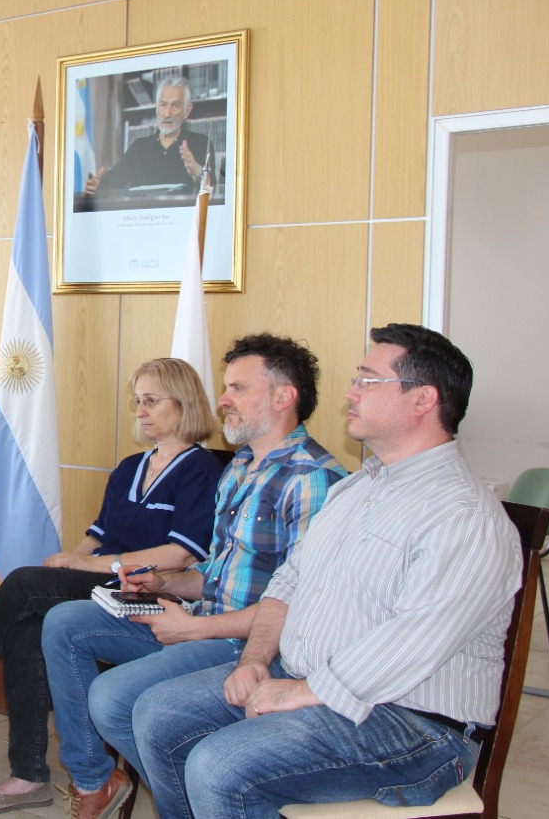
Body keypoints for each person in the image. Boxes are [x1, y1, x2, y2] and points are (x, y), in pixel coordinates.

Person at [129, 324, 522, 819]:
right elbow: (288, 582)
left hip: (413, 723)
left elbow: (414, 639)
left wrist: (302, 692)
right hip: (314, 678)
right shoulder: (355, 489)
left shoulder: (463, 515)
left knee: (220, 764)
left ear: (423, 399)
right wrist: (254, 659)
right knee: (158, 715)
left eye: (367, 381)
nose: (349, 393)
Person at [40, 333, 347, 819]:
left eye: (238, 388)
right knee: (64, 622)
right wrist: (164, 583)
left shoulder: (312, 479)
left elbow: (301, 606)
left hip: (249, 644)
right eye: (226, 387)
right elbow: (215, 573)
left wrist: (195, 628)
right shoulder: (240, 466)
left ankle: (199, 798)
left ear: (283, 397)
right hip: (202, 620)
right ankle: (100, 781)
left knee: (115, 700)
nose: (222, 399)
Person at [0, 358, 225, 815]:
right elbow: (97, 536)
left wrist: (89, 564)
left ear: (184, 402)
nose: (140, 411)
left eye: (152, 401)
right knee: (27, 627)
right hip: (102, 584)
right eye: (137, 401)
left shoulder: (202, 470)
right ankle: (27, 775)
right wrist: (70, 561)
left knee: (24, 583)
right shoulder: (130, 467)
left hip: (151, 594)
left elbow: (180, 554)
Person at [84, 76, 211, 198]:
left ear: (187, 111)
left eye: (175, 106)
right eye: (163, 104)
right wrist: (97, 185)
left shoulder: (201, 143)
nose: (167, 113)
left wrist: (198, 172)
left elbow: (213, 188)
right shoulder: (139, 147)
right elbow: (114, 180)